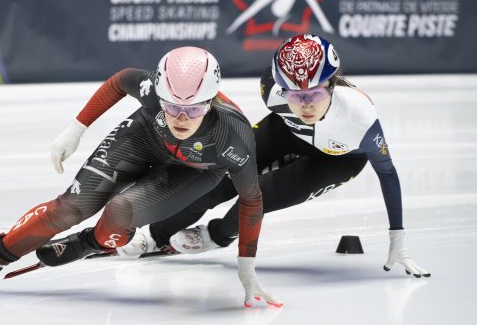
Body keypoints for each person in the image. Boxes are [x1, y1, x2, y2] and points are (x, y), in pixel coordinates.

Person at [0, 46, 282, 307]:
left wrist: (246, 268)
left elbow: (252, 200)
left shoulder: (232, 137)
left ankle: (88, 243)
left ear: (210, 102)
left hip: (195, 170)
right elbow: (120, 80)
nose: (181, 117)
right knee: (69, 208)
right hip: (145, 138)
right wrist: (76, 128)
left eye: (193, 109)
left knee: (120, 212)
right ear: (159, 94)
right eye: (171, 106)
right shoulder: (151, 89)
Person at [119, 34, 431, 279]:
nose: (306, 105)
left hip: (338, 159)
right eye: (295, 95)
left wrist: (397, 240)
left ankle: (218, 235)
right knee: (215, 179)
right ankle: (156, 236)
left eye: (316, 94)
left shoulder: (360, 119)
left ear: (332, 85)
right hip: (286, 131)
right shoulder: (271, 90)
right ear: (282, 88)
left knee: (260, 195)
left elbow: (387, 174)